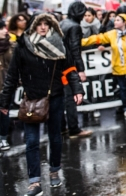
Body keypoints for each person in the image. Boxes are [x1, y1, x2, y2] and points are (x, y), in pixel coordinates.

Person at [0, 13, 84, 196]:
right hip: (31, 100)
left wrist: (77, 90)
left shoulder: (59, 43)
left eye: (47, 24)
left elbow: (70, 69)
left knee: (55, 137)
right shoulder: (23, 46)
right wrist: (4, 102)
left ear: (52, 26)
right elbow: (12, 76)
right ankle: (34, 183)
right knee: (31, 141)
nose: (43, 27)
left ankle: (54, 170)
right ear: (33, 26)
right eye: (40, 24)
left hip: (54, 97)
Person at [60, 2, 93, 139]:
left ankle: (62, 128)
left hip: (59, 66)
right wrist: (80, 69)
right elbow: (75, 49)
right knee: (70, 98)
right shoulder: (74, 27)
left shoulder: (63, 23)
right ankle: (74, 129)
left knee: (62, 99)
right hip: (69, 67)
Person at [0, 19, 14, 151]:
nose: (5, 30)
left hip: (6, 85)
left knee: (4, 112)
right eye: (1, 28)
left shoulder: (11, 45)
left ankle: (3, 138)